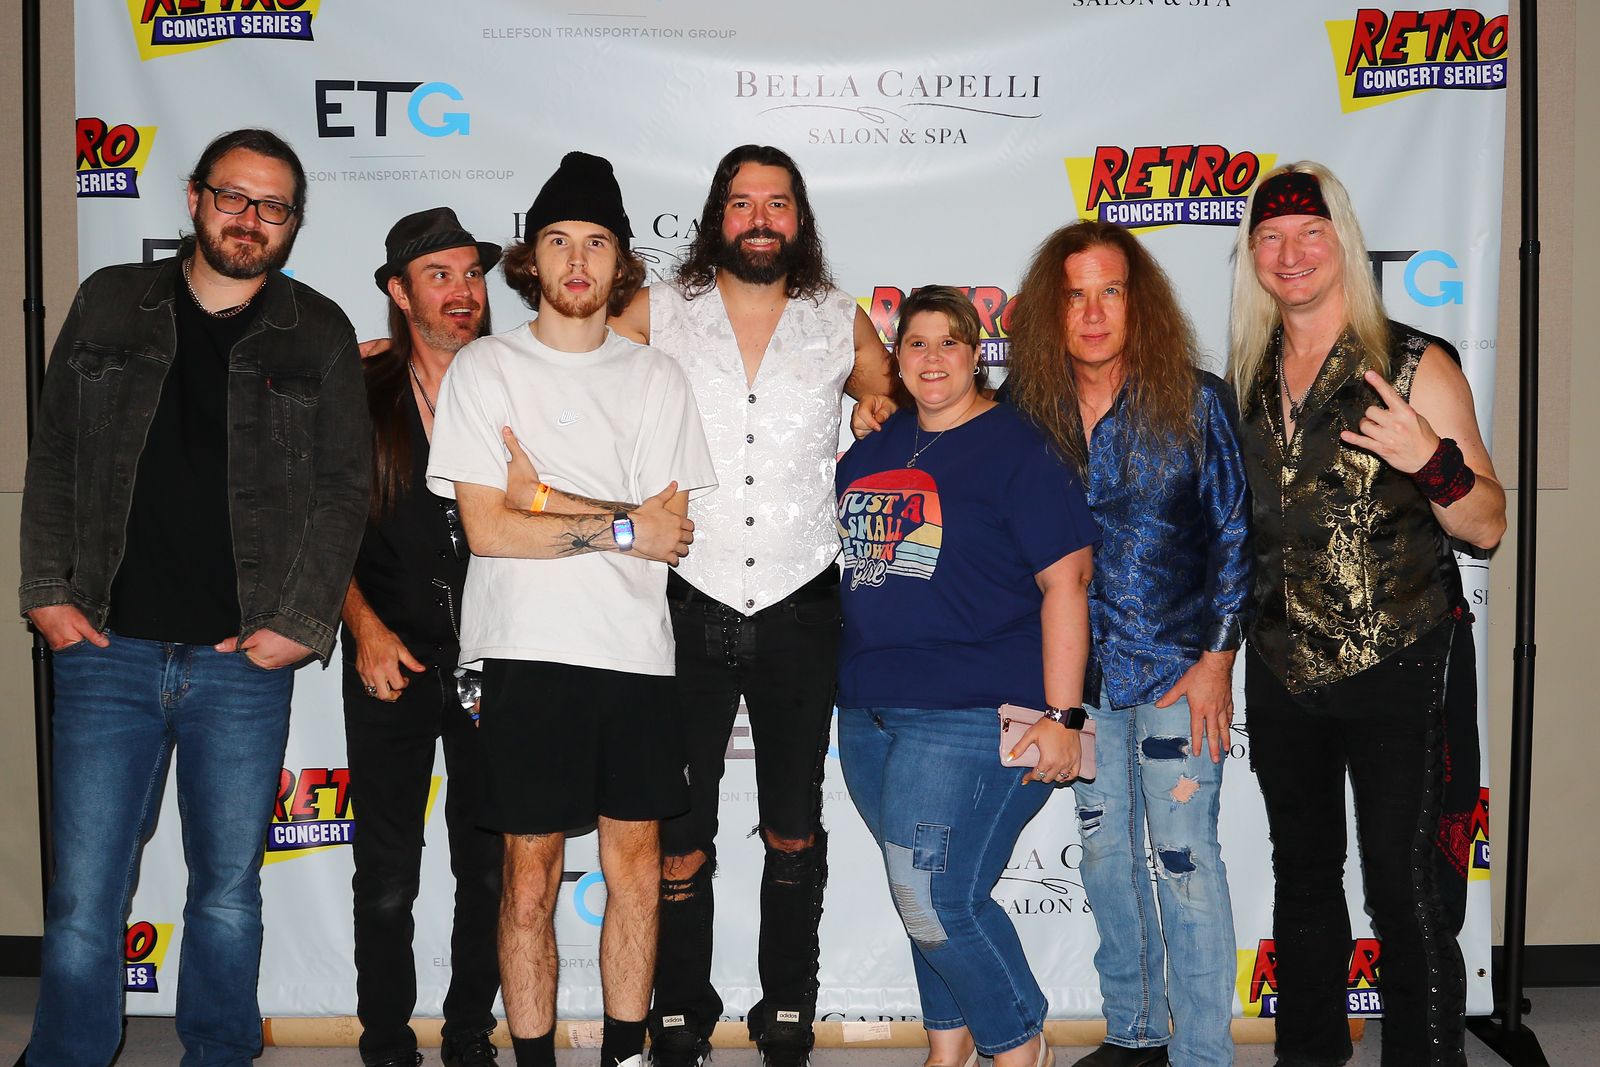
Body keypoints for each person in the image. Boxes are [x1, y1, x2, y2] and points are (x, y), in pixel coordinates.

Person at [18, 127, 370, 1067]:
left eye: (273, 206)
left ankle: (218, 1052)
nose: (250, 218)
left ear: (292, 222)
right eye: (233, 196)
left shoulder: (319, 330)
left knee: (226, 890)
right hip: (105, 651)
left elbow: (343, 491)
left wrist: (300, 623)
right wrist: (46, 592)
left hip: (241, 663)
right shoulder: (109, 301)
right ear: (194, 198)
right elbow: (55, 457)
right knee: (85, 893)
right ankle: (67, 1054)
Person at [424, 151, 717, 1067]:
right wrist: (621, 525)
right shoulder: (485, 368)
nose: (577, 260)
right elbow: (488, 530)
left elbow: (670, 532)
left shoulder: (658, 378)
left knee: (637, 873)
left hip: (633, 654)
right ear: (531, 258)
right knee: (527, 879)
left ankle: (625, 1053)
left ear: (621, 260)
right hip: (521, 652)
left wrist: (545, 499)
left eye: (596, 242)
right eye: (558, 241)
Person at [607, 143, 893, 1067]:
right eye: (742, 203)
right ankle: (681, 1009)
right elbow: (568, 363)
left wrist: (875, 407)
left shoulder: (839, 318)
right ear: (716, 217)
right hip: (687, 595)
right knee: (680, 831)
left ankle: (789, 1006)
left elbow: (892, 395)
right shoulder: (659, 309)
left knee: (793, 824)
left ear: (799, 219)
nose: (760, 218)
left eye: (776, 203)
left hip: (803, 599)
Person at [1226, 162, 1505, 1067]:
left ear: (1342, 239)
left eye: (1310, 232)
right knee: (1304, 878)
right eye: (1271, 237)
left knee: (1406, 886)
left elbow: (1487, 524)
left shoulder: (1417, 364)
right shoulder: (1248, 376)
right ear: (1253, 256)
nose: (1291, 253)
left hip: (1404, 659)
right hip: (1281, 668)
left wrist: (1433, 461)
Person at [1001, 221, 1251, 1067]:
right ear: (1051, 311)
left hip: (1180, 672)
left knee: (1186, 861)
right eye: (1075, 295)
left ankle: (1204, 1054)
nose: (1094, 312)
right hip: (1078, 682)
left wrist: (1217, 660)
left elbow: (1234, 533)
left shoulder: (1197, 399)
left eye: (1110, 291)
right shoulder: (1024, 412)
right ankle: (1135, 1033)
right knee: (1106, 857)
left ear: (1138, 303)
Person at [833, 285, 1098, 1067]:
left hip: (971, 710)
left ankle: (1017, 1044)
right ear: (895, 358)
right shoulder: (873, 448)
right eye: (915, 343)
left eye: (949, 341)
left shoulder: (1019, 446)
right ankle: (946, 1050)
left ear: (976, 353)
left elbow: (1068, 581)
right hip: (868, 711)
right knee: (923, 892)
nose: (932, 357)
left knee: (934, 896)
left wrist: (1064, 714)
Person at [343, 207, 506, 1067]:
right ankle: (384, 1039)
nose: (463, 290)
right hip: (390, 657)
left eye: (472, 273)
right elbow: (317, 527)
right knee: (387, 871)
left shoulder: (517, 381)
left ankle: (470, 1031)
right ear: (400, 293)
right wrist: (363, 626)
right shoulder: (357, 388)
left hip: (492, 663)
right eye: (439, 275)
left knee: (488, 867)